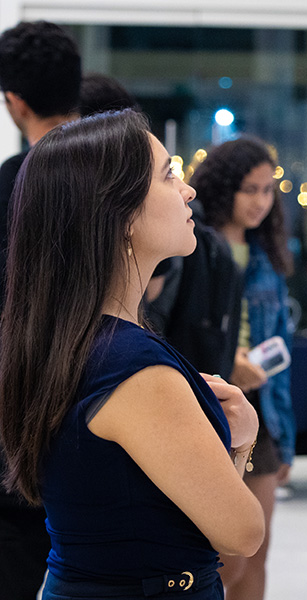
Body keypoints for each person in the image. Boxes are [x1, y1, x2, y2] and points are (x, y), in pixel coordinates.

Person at [0, 110, 265, 600]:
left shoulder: (67, 339)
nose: (188, 191)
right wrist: (240, 440)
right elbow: (240, 532)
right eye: (168, 175)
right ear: (118, 215)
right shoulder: (133, 369)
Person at [191, 137, 295, 600]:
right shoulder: (191, 247)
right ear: (224, 188)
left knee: (259, 551)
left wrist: (287, 438)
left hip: (263, 407)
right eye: (249, 189)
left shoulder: (265, 260)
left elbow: (283, 355)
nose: (260, 201)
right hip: (211, 405)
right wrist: (227, 363)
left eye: (267, 190)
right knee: (223, 560)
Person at [0, 19, 81, 599]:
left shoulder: (12, 183)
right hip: (108, 412)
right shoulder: (125, 179)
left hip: (15, 430)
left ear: (14, 102)